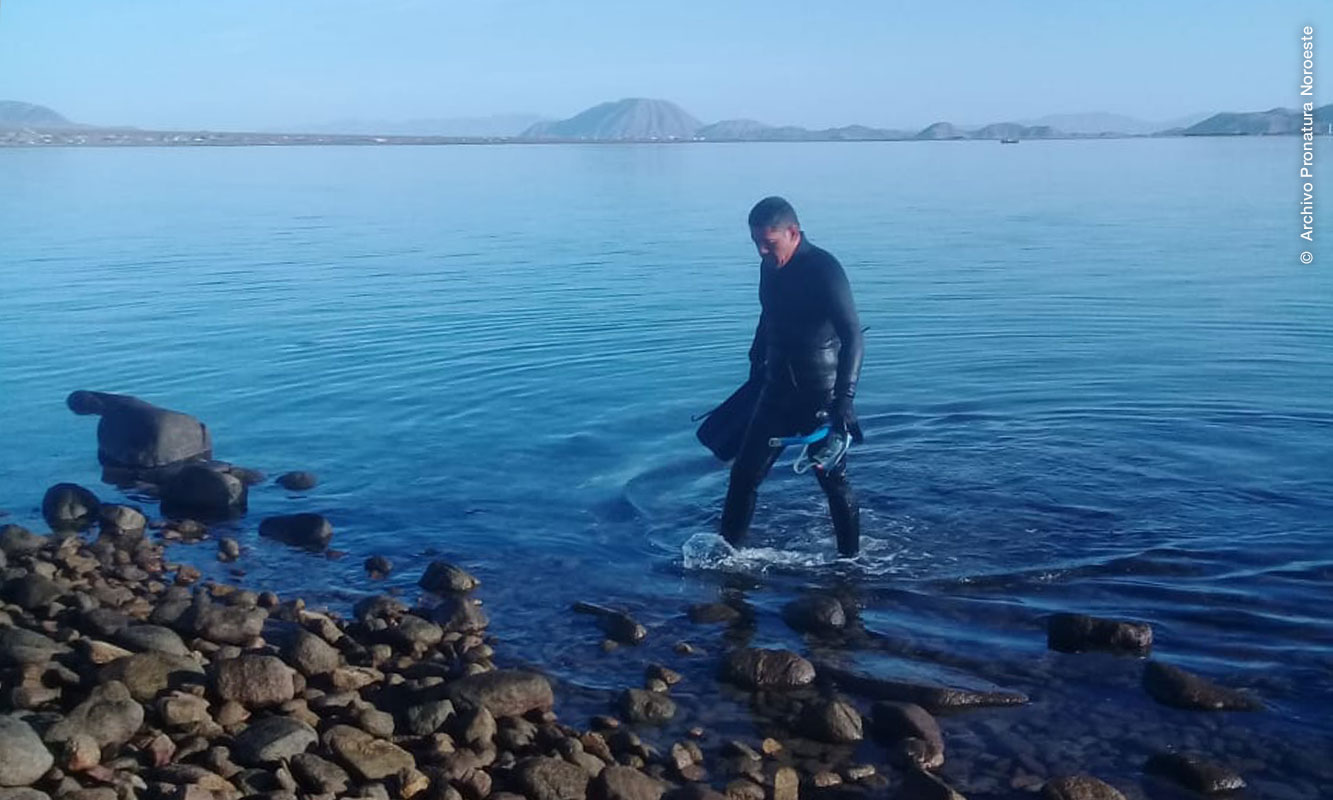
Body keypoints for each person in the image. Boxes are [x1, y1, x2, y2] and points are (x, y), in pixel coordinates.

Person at [720, 196, 865, 557]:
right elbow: (768, 314)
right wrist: (756, 357)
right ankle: (726, 556)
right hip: (775, 392)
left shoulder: (823, 270)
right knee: (743, 477)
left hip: (819, 395)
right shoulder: (770, 266)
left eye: (769, 244)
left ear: (793, 232)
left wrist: (844, 399)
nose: (761, 252)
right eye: (756, 243)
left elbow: (853, 335)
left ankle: (851, 563)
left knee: (832, 482)